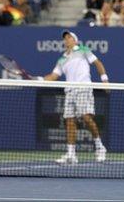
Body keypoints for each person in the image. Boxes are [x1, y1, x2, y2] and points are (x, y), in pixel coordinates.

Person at [41, 30, 108, 164]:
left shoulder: (83, 49)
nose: (66, 40)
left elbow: (98, 63)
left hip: (84, 87)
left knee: (86, 118)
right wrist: (39, 80)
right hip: (70, 91)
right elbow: (53, 76)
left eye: (69, 37)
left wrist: (104, 80)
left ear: (75, 40)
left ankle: (100, 147)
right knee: (70, 122)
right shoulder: (62, 59)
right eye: (65, 38)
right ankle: (71, 154)